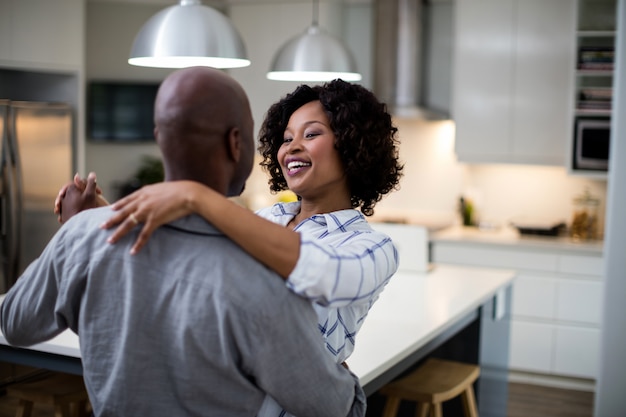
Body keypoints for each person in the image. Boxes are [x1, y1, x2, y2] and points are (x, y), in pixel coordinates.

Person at [1, 67, 366, 417]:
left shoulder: (84, 235)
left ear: (160, 136)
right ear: (235, 142)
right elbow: (330, 406)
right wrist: (344, 378)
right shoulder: (264, 279)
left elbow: (15, 324)